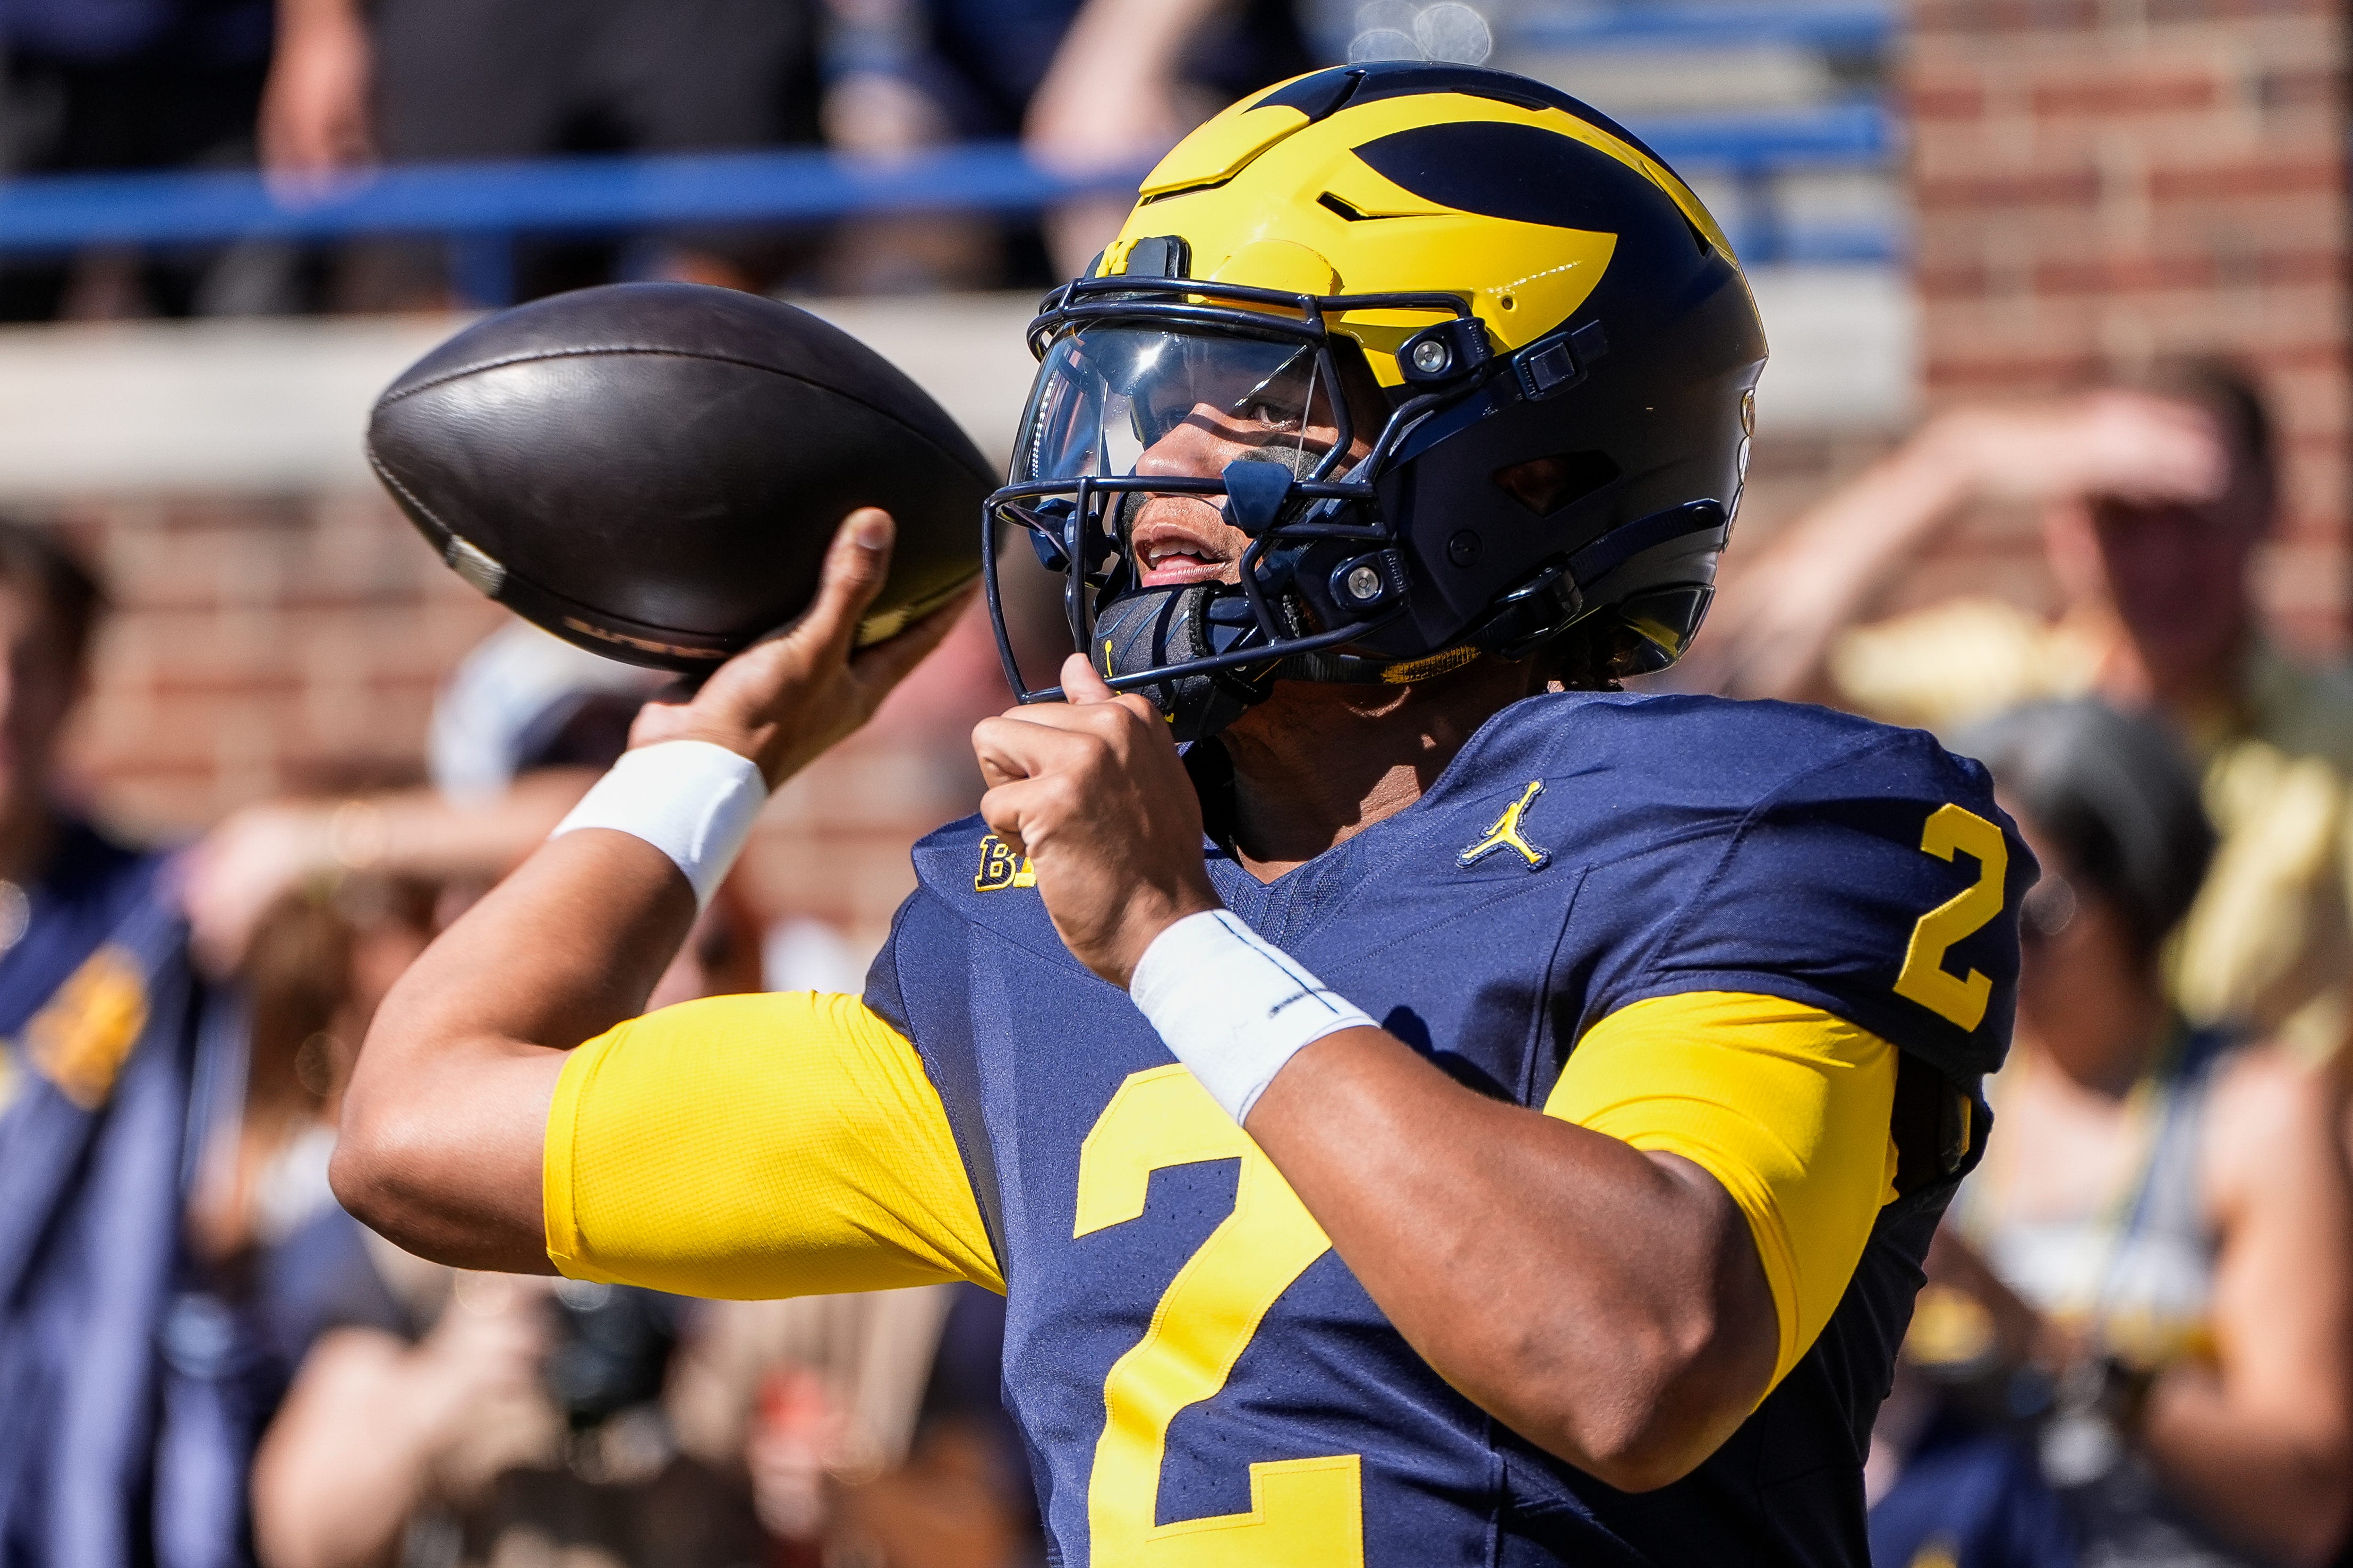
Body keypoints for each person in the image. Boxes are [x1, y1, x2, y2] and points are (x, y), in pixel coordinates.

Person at [332, 63, 2032, 1566]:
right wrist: (716, 755)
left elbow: (1630, 1350)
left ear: (1531, 461)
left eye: (1263, 403)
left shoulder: (1764, 823)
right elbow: (416, 1129)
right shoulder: (1016, 943)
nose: (1150, 471)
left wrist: (1171, 945)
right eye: (1143, 398)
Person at [1688, 368, 2353, 1063]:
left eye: (2194, 515)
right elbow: (1743, 670)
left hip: (2258, 1156)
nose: (2163, 560)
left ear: (2270, 504)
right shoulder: (2004, 689)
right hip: (2007, 1154)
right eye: (2122, 517)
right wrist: (1960, 462)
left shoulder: (2330, 733)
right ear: (2067, 527)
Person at [1871, 700, 2353, 1568]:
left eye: (2035, 916)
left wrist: (2037, 1338)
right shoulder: (1937, 1084)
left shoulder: (2252, 1111)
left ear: (2139, 890)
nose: (1997, 950)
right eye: (1970, 908)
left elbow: (2307, 1496)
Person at [0, 518, 226, 1566]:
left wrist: (326, 839)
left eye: (29, 664)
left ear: (79, 682)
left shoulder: (148, 911)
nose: (2, 700)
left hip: (81, 1474)